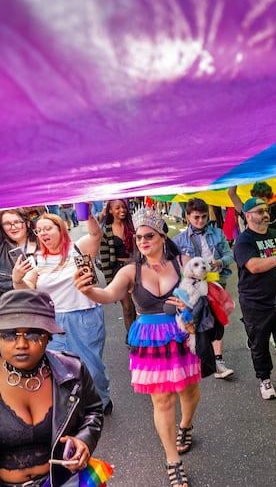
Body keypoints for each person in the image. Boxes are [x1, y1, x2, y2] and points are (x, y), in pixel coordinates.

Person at [73, 207, 199, 487]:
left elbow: (205, 293)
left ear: (162, 236)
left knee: (188, 389)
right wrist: (87, 290)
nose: (143, 241)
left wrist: (191, 306)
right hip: (150, 338)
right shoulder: (131, 270)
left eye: (149, 236)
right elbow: (107, 295)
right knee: (163, 400)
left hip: (182, 334)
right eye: (139, 237)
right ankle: (172, 460)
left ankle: (186, 425)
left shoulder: (184, 262)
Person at [0, 289, 103, 487]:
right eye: (9, 334)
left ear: (48, 336)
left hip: (64, 481)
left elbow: (93, 410)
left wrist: (84, 440)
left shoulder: (72, 371)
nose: (21, 344)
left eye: (32, 334)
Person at [11, 211, 112, 414]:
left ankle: (101, 400)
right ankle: (73, 405)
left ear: (61, 229)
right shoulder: (36, 260)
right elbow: (27, 289)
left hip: (84, 317)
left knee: (91, 368)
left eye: (48, 228)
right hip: (52, 322)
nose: (43, 233)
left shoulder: (77, 248)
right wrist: (17, 279)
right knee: (59, 369)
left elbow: (95, 234)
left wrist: (87, 212)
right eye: (39, 230)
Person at [233, 197, 276, 401]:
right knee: (259, 343)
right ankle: (264, 379)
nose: (265, 214)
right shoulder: (243, 241)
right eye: (259, 211)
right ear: (248, 216)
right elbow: (253, 266)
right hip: (255, 302)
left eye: (265, 210)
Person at [173, 197, 235, 380]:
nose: (200, 221)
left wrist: (220, 262)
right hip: (193, 287)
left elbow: (228, 254)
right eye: (196, 217)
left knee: (217, 319)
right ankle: (199, 357)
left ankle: (217, 360)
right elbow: (175, 266)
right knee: (197, 319)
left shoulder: (217, 233)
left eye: (204, 217)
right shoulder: (179, 240)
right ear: (187, 216)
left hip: (216, 283)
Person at [98, 199, 137, 338]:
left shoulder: (133, 226)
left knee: (138, 307)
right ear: (110, 210)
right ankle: (132, 338)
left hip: (136, 268)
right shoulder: (106, 231)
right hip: (118, 271)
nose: (122, 210)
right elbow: (104, 258)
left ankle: (141, 335)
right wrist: (110, 283)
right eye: (117, 208)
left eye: (124, 207)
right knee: (127, 309)